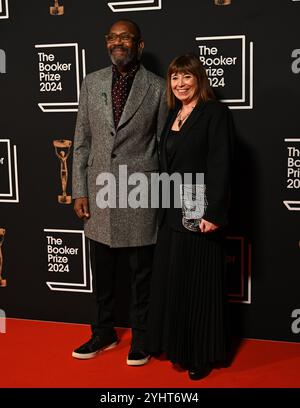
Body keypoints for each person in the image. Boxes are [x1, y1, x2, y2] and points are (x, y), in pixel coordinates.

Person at [71, 19, 167, 366]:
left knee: (143, 275)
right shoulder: (91, 82)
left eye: (125, 37)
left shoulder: (157, 87)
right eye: (113, 37)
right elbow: (81, 141)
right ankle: (103, 333)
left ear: (139, 45)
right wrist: (79, 189)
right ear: (106, 43)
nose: (118, 42)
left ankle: (140, 339)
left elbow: (162, 143)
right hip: (98, 192)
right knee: (103, 272)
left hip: (140, 191)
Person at [147, 54, 233, 380]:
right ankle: (180, 346)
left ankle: (202, 354)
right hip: (172, 207)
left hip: (199, 202)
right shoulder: (173, 113)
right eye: (174, 78)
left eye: (186, 77)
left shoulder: (214, 113)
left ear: (198, 79)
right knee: (178, 282)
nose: (180, 84)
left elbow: (220, 163)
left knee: (199, 283)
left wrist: (212, 212)